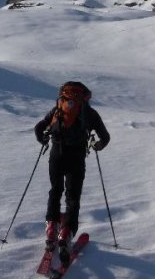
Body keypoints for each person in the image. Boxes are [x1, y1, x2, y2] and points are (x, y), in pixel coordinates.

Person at [34, 81, 110, 265]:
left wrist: (43, 139)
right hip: (76, 158)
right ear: (86, 96)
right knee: (73, 196)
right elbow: (105, 137)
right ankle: (66, 234)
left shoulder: (58, 108)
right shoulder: (90, 113)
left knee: (55, 190)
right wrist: (97, 145)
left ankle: (51, 229)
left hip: (56, 155)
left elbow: (39, 128)